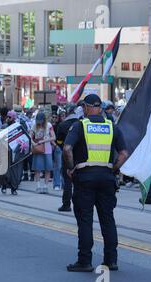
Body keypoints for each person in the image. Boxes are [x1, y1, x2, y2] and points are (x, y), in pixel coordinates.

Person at [63, 94, 128, 272]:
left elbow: (67, 149)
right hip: (106, 178)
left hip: (85, 177)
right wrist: (113, 169)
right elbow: (124, 154)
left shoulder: (80, 126)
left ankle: (85, 261)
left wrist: (70, 169)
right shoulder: (112, 127)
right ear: (99, 108)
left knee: (85, 220)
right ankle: (111, 260)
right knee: (107, 219)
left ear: (85, 107)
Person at [56, 103, 80, 212]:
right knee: (80, 181)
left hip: (66, 156)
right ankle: (80, 204)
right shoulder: (81, 124)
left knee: (68, 181)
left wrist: (63, 147)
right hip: (80, 155)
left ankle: (66, 204)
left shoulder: (63, 125)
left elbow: (58, 141)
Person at [30, 112, 56, 194]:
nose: (39, 122)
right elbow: (30, 136)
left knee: (48, 168)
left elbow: (54, 137)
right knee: (38, 168)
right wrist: (33, 143)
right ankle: (38, 186)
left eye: (41, 121)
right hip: (38, 148)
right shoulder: (34, 125)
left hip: (47, 148)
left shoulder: (49, 125)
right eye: (38, 120)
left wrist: (43, 140)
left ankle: (45, 186)